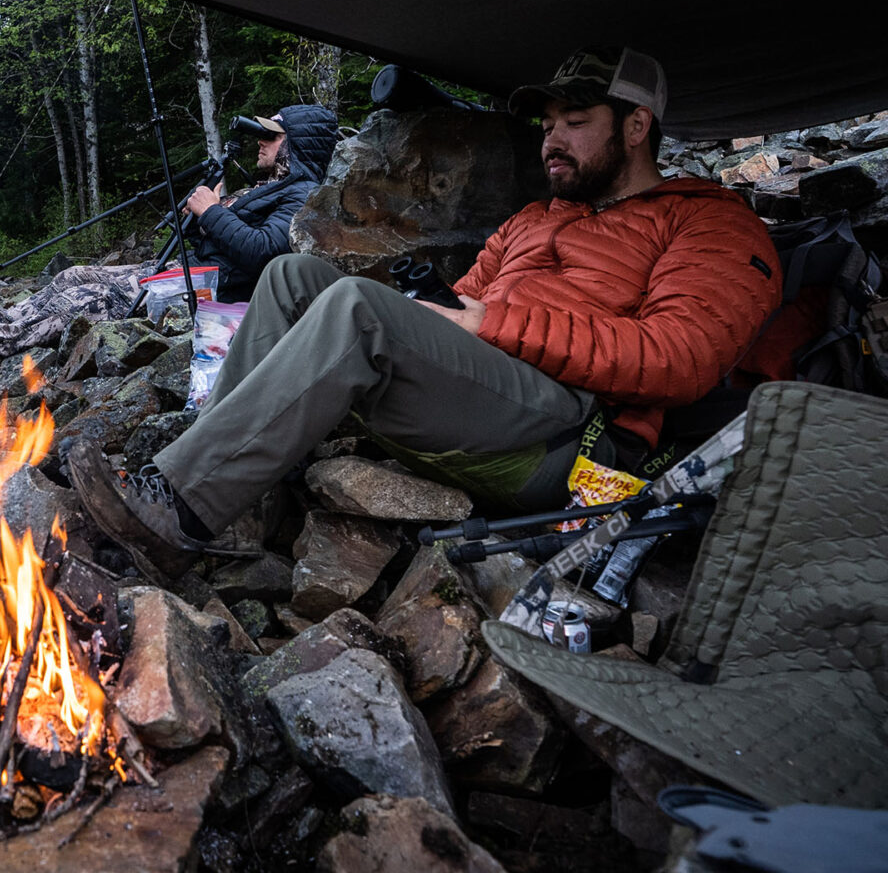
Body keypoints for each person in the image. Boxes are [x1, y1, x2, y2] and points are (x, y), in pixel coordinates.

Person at [69, 47, 783, 579]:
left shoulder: (708, 223)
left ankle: (178, 512)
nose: (550, 138)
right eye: (546, 123)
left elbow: (680, 360)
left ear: (636, 126)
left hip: (569, 425)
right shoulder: (536, 218)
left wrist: (487, 324)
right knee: (292, 275)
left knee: (355, 307)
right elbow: (463, 298)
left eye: (575, 121)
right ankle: (236, 498)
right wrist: (447, 309)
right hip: (482, 385)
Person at [0, 103, 338, 403]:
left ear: (295, 143)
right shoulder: (272, 186)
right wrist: (208, 209)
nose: (261, 140)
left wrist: (211, 212)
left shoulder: (303, 194)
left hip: (214, 290)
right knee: (73, 276)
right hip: (193, 268)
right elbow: (210, 232)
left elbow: (264, 254)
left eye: (272, 134)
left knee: (78, 302)